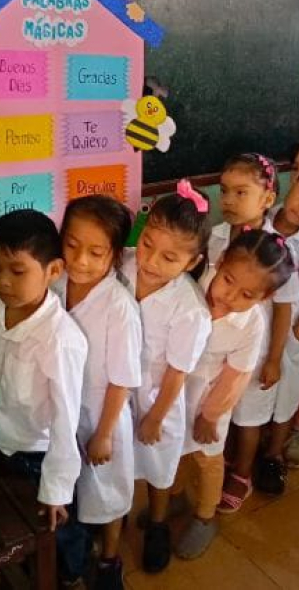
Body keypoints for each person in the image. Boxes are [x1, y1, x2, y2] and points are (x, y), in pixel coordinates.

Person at [0, 209, 88, 583]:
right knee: (17, 524)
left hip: (40, 456)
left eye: (18, 271)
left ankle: (73, 576)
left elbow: (66, 422)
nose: (2, 281)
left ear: (53, 271)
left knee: (59, 527)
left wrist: (55, 488)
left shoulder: (61, 339)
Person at [223, 164, 299, 501]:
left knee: (282, 400)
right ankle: (240, 454)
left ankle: (273, 455)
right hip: (249, 327)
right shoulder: (259, 219)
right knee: (247, 398)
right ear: (294, 182)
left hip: (285, 337)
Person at [168, 230, 292, 559]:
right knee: (175, 449)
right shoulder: (193, 283)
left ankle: (205, 516)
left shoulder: (251, 325)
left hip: (211, 399)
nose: (228, 296)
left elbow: (236, 376)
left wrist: (210, 415)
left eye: (246, 294)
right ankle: (176, 496)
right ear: (218, 263)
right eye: (227, 280)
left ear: (263, 298)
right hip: (174, 389)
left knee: (208, 459)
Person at [122, 182, 212, 574]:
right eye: (147, 245)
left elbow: (178, 370)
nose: (151, 261)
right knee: (120, 457)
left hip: (159, 396)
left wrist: (157, 414)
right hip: (116, 390)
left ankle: (157, 523)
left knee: (158, 464)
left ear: (192, 263)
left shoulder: (189, 308)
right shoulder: (123, 265)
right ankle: (114, 514)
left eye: (169, 257)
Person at [54, 196, 142, 589]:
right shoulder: (55, 280)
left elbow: (122, 377)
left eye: (95, 252)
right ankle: (77, 548)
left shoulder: (119, 306)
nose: (80, 260)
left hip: (104, 413)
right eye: (71, 245)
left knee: (108, 493)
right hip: (64, 410)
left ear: (115, 254)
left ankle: (110, 558)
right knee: (72, 488)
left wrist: (105, 431)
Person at [208, 153, 279, 271]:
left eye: (240, 193)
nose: (228, 201)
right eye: (224, 191)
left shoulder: (278, 252)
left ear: (268, 199)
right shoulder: (210, 237)